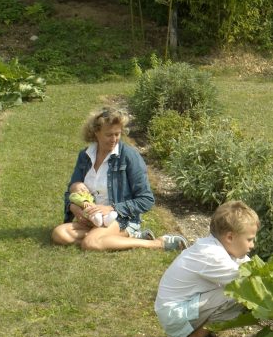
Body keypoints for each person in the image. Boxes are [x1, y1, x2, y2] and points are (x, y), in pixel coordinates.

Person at [51, 106, 187, 253]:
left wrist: (111, 208)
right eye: (109, 135)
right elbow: (72, 190)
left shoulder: (129, 156)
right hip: (92, 219)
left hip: (121, 219)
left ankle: (157, 243)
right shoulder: (85, 156)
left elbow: (146, 200)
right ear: (96, 132)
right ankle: (122, 239)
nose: (114, 139)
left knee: (90, 243)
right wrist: (74, 208)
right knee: (59, 234)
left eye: (118, 134)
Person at [154, 200, 259, 337]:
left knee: (239, 290)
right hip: (175, 314)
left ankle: (197, 334)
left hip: (180, 309)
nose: (252, 245)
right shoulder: (212, 256)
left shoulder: (221, 247)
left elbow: (251, 267)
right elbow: (250, 281)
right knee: (238, 293)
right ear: (230, 237)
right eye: (250, 239)